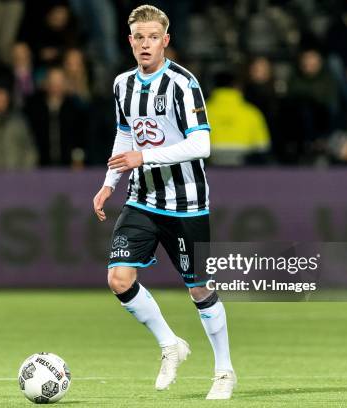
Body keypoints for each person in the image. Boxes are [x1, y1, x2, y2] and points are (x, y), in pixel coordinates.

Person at [92, 5, 235, 400]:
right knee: (119, 278)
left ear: (165, 40)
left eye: (153, 37)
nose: (145, 44)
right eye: (139, 37)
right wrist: (110, 182)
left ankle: (224, 371)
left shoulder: (183, 84)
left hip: (187, 203)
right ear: (130, 41)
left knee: (200, 290)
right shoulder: (122, 84)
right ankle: (170, 344)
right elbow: (126, 135)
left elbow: (201, 144)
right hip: (142, 198)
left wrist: (145, 157)